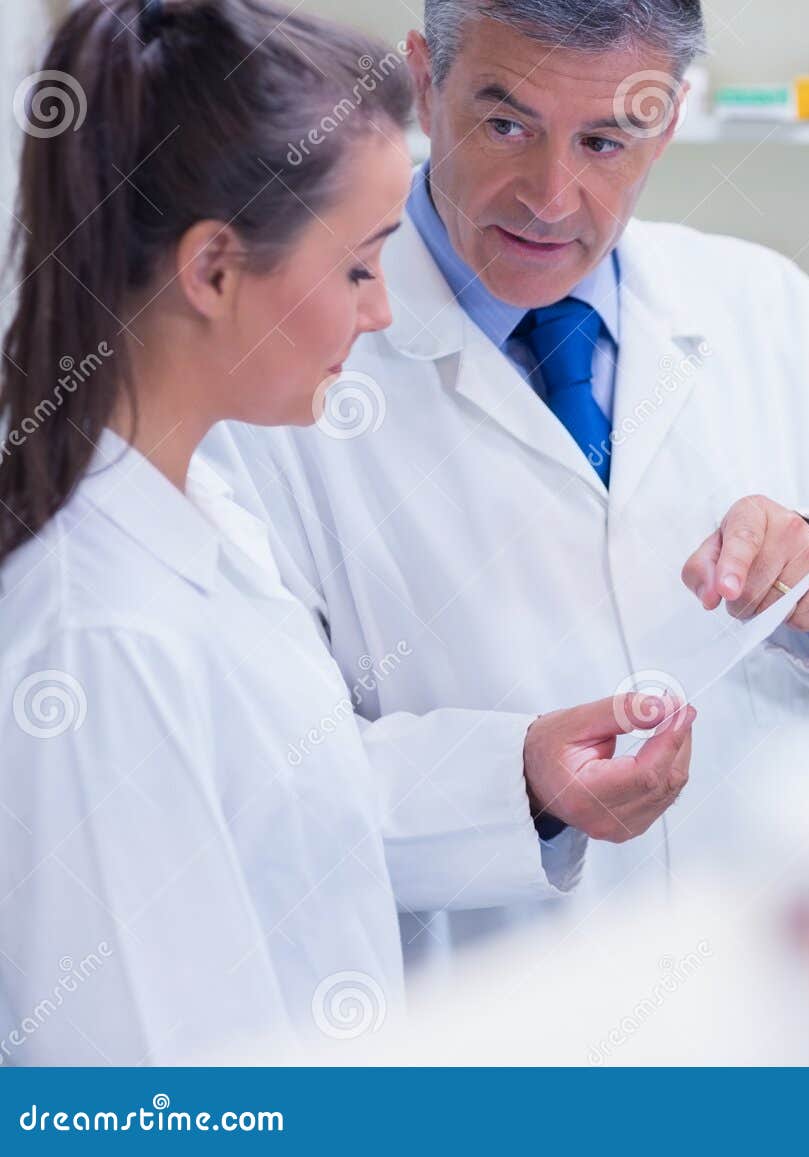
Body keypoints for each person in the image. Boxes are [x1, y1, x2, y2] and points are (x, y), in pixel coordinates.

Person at [205, 0, 809, 959]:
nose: (551, 198)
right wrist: (518, 785)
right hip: (490, 1013)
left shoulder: (768, 312)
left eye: (604, 141)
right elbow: (252, 778)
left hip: (767, 982)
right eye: (506, 125)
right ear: (425, 82)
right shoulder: (274, 375)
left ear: (667, 121)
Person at [0, 0, 693, 1065]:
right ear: (215, 270)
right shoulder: (98, 636)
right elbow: (129, 1099)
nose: (380, 312)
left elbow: (296, 805)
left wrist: (521, 774)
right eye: (362, 266)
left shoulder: (205, 528)